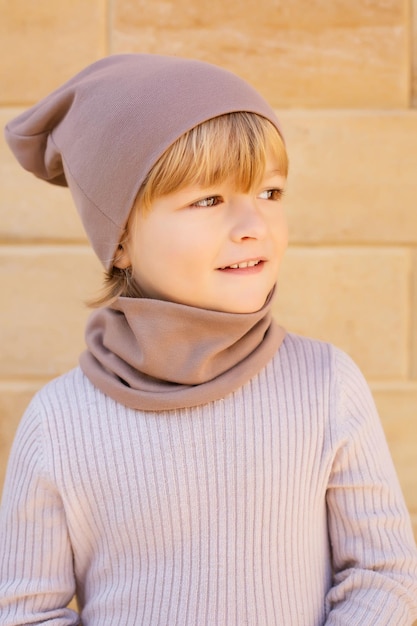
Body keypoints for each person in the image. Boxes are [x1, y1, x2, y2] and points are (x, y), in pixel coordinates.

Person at [0, 54, 416, 626]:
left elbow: (384, 574)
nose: (253, 224)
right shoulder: (59, 421)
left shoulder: (326, 385)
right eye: (208, 200)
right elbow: (28, 611)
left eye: (269, 192)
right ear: (119, 238)